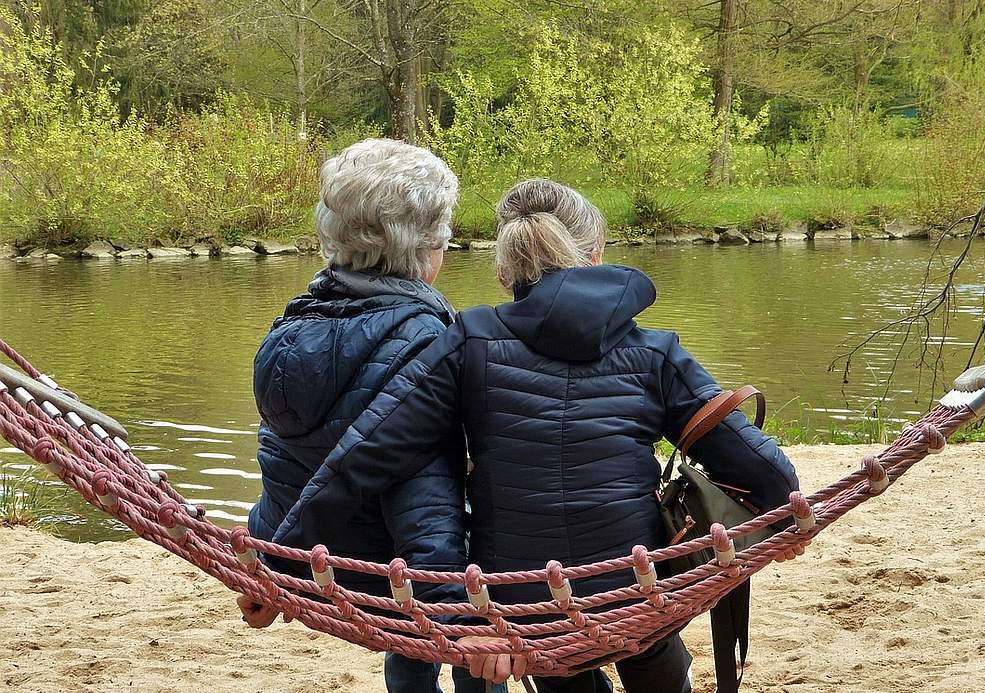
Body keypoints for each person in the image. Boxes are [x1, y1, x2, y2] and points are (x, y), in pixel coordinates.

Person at [275, 179, 800, 691]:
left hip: (523, 608)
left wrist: (279, 564)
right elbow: (765, 474)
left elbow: (366, 455)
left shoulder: (467, 341)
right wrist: (784, 520)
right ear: (595, 254)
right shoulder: (656, 353)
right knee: (649, 635)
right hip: (637, 592)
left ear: (505, 272)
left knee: (552, 659)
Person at [240, 138, 499, 693]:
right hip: (404, 572)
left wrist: (267, 562)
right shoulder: (429, 343)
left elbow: (282, 463)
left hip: (323, 561)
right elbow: (425, 500)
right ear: (426, 248)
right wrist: (459, 617)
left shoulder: (287, 333)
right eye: (444, 235)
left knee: (407, 642)